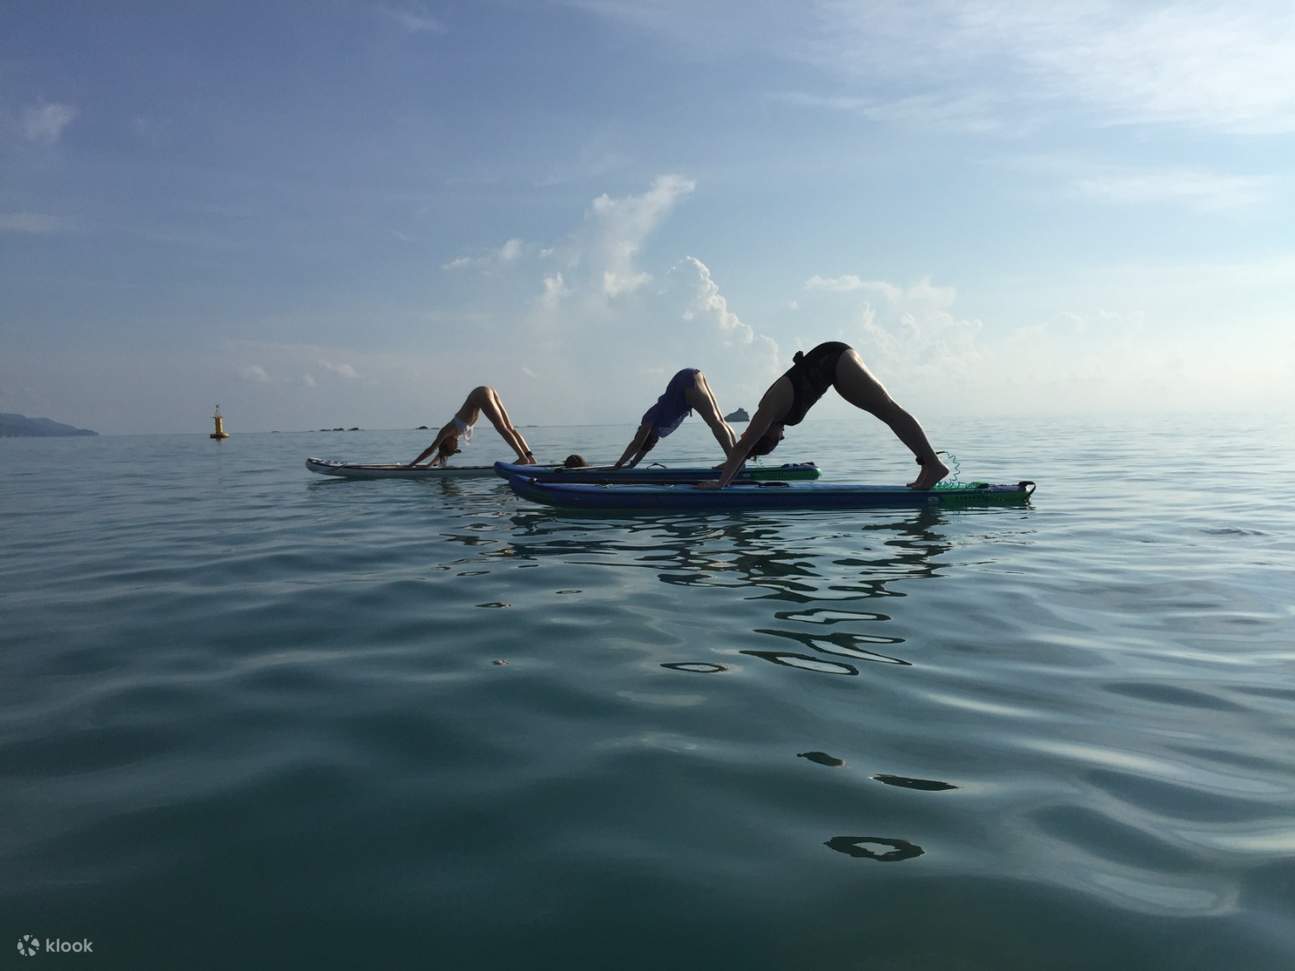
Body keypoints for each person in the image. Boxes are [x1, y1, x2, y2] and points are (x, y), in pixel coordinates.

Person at [703, 342, 948, 489]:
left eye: (776, 440)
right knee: (887, 412)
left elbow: (743, 445)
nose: (783, 438)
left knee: (888, 410)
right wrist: (731, 470)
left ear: (764, 433)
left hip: (834, 359)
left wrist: (721, 483)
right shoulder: (773, 417)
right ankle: (928, 466)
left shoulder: (767, 409)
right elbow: (746, 448)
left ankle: (934, 465)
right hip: (834, 368)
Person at [614, 368, 737, 468]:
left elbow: (637, 444)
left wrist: (618, 465)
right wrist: (632, 464)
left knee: (715, 422)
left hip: (684, 384)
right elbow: (644, 446)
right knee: (720, 421)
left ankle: (733, 462)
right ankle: (736, 460)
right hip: (691, 376)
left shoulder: (648, 421)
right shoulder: (654, 432)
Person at [411, 386, 538, 467]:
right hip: (487, 391)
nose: (456, 447)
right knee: (509, 428)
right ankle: (530, 458)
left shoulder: (446, 431)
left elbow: (431, 450)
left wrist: (411, 465)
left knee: (501, 428)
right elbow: (442, 454)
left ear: (445, 443)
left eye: (453, 448)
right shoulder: (453, 435)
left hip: (480, 394)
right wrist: (428, 466)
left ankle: (523, 458)